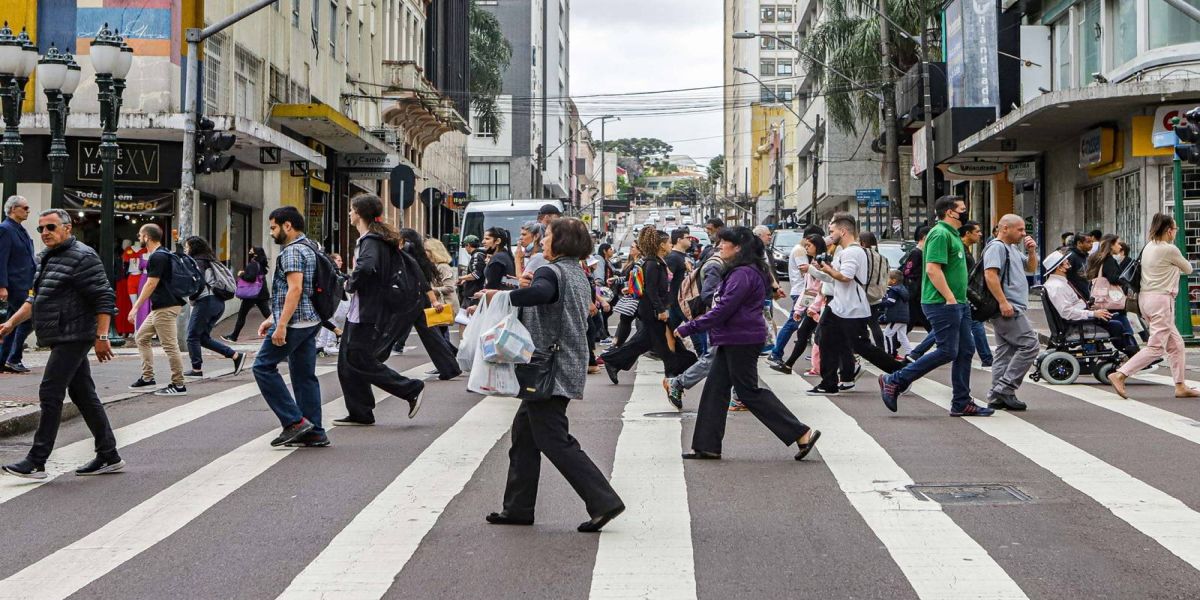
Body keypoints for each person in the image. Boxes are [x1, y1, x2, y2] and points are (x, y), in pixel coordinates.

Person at [482, 217, 625, 533]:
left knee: (552, 438)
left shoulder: (551, 272)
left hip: (548, 367)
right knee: (524, 436)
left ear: (559, 241)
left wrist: (500, 296)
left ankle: (603, 500)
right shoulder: (576, 272)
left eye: (546, 235)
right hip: (564, 361)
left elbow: (542, 294)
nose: (541, 240)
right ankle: (517, 507)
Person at [676, 226, 821, 461]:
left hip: (740, 339)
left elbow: (723, 309)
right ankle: (706, 446)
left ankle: (801, 432)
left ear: (738, 248)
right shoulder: (742, 271)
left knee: (748, 392)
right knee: (715, 390)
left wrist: (688, 327)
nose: (720, 246)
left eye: (725, 243)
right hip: (733, 338)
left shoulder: (743, 274)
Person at [0, 209, 122, 479]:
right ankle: (108, 454)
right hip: (61, 334)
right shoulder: (46, 258)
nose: (45, 233)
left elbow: (103, 297)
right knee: (83, 395)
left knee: (50, 392)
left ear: (68, 228)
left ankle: (36, 460)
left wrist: (102, 336)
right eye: (41, 229)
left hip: (74, 335)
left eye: (51, 227)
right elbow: (35, 299)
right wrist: (11, 324)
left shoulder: (83, 256)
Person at [879, 196, 993, 416]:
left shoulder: (953, 235)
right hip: (942, 303)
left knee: (965, 350)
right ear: (950, 212)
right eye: (962, 209)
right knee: (948, 350)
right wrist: (950, 298)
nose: (965, 212)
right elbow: (932, 269)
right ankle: (895, 380)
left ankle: (961, 402)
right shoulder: (940, 234)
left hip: (958, 303)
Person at [332, 195, 427, 428]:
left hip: (368, 311)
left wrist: (349, 284)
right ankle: (360, 411)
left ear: (359, 213)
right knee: (347, 362)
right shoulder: (375, 239)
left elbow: (365, 268)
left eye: (352, 210)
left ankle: (410, 388)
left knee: (358, 358)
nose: (349, 214)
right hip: (361, 311)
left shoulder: (371, 241)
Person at [253, 206, 325, 448]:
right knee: (304, 376)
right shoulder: (310, 247)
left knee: (262, 367)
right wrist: (273, 318)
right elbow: (299, 292)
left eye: (273, 227)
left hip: (295, 322)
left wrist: (281, 324)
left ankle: (294, 422)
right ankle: (315, 431)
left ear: (287, 226)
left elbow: (295, 289)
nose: (271, 233)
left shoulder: (292, 252)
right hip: (310, 320)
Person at [809, 215, 904, 394]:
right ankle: (828, 383)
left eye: (832, 231)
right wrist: (818, 269)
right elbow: (833, 277)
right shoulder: (845, 252)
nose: (829, 236)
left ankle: (901, 372)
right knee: (825, 339)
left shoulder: (852, 252)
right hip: (839, 306)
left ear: (843, 231)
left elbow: (845, 276)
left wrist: (827, 269)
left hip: (852, 308)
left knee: (862, 346)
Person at [1109, 214, 1200, 399]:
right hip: (1161, 300)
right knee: (1156, 347)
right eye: (1175, 229)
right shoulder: (1169, 249)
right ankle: (1121, 374)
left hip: (1145, 299)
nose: (1176, 232)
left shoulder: (1148, 246)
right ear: (1169, 231)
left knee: (1176, 345)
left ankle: (1180, 385)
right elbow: (1188, 269)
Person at [602, 227, 695, 383]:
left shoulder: (657, 262)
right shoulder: (652, 263)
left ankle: (613, 360)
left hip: (656, 308)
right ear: (661, 245)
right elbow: (651, 290)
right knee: (665, 343)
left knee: (647, 340)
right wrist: (661, 310)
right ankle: (675, 374)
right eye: (669, 243)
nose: (671, 246)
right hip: (652, 310)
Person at [981, 214, 1041, 411]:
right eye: (1020, 230)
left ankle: (997, 395)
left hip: (1011, 305)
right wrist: (1003, 302)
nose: (1023, 234)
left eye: (1024, 230)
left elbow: (1031, 268)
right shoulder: (996, 247)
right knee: (1030, 345)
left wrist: (1032, 251)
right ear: (1004, 228)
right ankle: (1004, 388)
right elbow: (990, 274)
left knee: (1005, 351)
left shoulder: (1012, 248)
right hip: (1007, 307)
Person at [1042, 249, 1140, 359]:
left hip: (1076, 320)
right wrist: (1093, 314)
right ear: (1060, 267)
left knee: (1115, 318)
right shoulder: (1057, 287)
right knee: (1117, 325)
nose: (1069, 264)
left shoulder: (1058, 284)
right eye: (1066, 262)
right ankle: (1134, 355)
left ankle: (1134, 353)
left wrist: (1088, 307)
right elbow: (1066, 312)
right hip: (1074, 325)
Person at [127, 223, 187, 396]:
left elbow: (151, 283)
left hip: (166, 307)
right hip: (160, 307)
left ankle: (178, 384)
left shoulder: (158, 257)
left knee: (170, 346)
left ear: (147, 237)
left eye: (140, 235)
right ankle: (148, 377)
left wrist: (136, 307)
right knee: (141, 337)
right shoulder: (163, 253)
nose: (139, 238)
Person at [663, 244, 726, 408]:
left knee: (729, 360)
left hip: (724, 321)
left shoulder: (729, 264)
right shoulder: (716, 264)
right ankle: (678, 382)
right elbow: (708, 295)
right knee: (712, 358)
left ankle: (739, 395)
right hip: (719, 321)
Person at [394, 229, 461, 380]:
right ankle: (450, 367)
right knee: (431, 335)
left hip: (412, 299)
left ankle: (371, 362)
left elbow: (421, 280)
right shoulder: (418, 255)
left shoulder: (407, 253)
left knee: (390, 332)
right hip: (419, 299)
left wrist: (434, 299)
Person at [183, 236, 246, 377]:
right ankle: (235, 356)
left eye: (187, 247)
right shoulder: (210, 260)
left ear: (193, 247)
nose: (186, 249)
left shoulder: (198, 262)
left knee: (192, 336)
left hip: (206, 301)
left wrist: (191, 296)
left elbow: (198, 284)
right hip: (218, 303)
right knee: (203, 338)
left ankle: (196, 369)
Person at [769, 233, 827, 374]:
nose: (806, 248)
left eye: (809, 245)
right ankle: (789, 365)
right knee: (806, 333)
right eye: (805, 245)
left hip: (820, 306)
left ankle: (839, 369)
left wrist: (806, 308)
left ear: (817, 246)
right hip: (814, 305)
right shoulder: (812, 263)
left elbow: (817, 289)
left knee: (816, 336)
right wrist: (799, 309)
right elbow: (809, 289)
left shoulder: (818, 264)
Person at [0, 195, 37, 373]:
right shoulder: (5, 229)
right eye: (25, 208)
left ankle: (6, 358)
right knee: (25, 318)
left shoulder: (19, 229)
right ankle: (12, 358)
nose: (28, 211)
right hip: (15, 283)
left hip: (25, 282)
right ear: (13, 209)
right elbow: (1, 258)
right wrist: (2, 285)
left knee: (13, 320)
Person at [959, 221, 995, 367]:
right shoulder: (960, 250)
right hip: (964, 294)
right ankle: (987, 358)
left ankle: (916, 354)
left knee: (953, 327)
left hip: (966, 293)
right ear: (967, 233)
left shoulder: (966, 249)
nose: (980, 234)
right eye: (977, 231)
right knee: (975, 323)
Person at [226, 247, 271, 342]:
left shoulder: (253, 264)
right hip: (262, 294)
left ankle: (233, 336)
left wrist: (241, 274)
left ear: (255, 254)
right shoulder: (261, 264)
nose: (249, 252)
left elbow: (250, 278)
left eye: (251, 251)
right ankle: (284, 329)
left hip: (252, 295)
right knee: (268, 315)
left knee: (242, 315)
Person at [859, 231, 889, 348]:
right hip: (876, 295)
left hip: (862, 293)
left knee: (858, 323)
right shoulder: (882, 258)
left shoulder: (862, 254)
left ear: (863, 242)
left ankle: (860, 348)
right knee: (874, 323)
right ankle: (881, 349)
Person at [880, 270, 912, 357]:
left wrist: (880, 302)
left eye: (887, 278)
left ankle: (889, 354)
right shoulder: (903, 289)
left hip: (896, 317)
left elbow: (890, 302)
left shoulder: (893, 291)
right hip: (903, 317)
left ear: (893, 280)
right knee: (902, 337)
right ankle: (910, 353)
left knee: (887, 334)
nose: (886, 280)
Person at [665, 227, 692, 329]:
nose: (690, 239)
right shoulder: (673, 257)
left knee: (669, 329)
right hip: (678, 300)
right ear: (679, 240)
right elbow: (667, 279)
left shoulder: (684, 255)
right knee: (695, 331)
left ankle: (662, 343)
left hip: (683, 298)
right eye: (687, 237)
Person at [482, 226, 516, 291]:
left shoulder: (498, 258)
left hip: (499, 298)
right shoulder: (505, 255)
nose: (483, 242)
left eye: (487, 239)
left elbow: (492, 285)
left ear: (497, 241)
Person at [457, 235, 486, 306]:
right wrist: (466, 280)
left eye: (465, 246)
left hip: (473, 295)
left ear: (468, 245)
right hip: (475, 293)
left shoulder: (476, 256)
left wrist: (461, 278)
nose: (465, 248)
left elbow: (476, 275)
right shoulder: (480, 254)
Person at [1065, 232, 1094, 298]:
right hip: (1076, 296)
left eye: (1092, 241)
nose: (1091, 244)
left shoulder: (1086, 256)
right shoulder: (1071, 256)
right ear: (1079, 243)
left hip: (1085, 294)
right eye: (1088, 242)